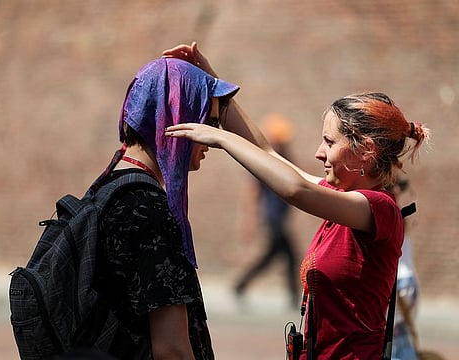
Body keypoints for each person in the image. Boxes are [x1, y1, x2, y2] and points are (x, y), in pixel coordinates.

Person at [163, 42, 429, 359]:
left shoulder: (380, 208)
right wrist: (213, 83)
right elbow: (270, 154)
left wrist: (221, 137)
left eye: (329, 142)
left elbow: (295, 190)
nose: (319, 152)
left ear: (366, 151)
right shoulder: (344, 198)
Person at [91, 57, 239, 359]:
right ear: (177, 118)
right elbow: (172, 350)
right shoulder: (148, 210)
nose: (212, 139)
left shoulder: (107, 188)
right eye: (208, 123)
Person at [235, 113, 300, 309]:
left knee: (273, 256)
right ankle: (293, 296)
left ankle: (241, 285)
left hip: (278, 218)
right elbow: (252, 192)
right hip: (273, 219)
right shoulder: (266, 162)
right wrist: (249, 221)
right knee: (290, 256)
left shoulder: (284, 159)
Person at [387, 178, 420, 360]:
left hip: (398, 283)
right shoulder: (391, 214)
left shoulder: (392, 214)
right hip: (402, 282)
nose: (398, 190)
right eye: (393, 185)